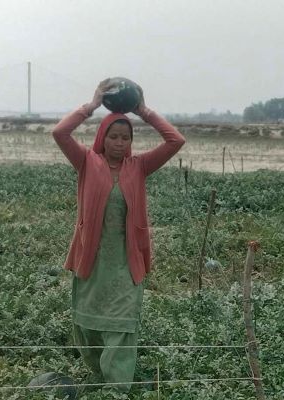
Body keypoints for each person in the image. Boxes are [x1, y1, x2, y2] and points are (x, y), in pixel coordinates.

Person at [52, 79, 185, 391]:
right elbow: (60, 133)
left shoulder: (139, 166)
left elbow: (175, 140)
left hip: (127, 260)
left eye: (126, 137)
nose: (120, 143)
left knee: (123, 323)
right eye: (114, 136)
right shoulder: (86, 161)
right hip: (93, 258)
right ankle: (99, 375)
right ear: (103, 137)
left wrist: (143, 110)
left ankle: (118, 389)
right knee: (88, 324)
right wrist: (91, 105)